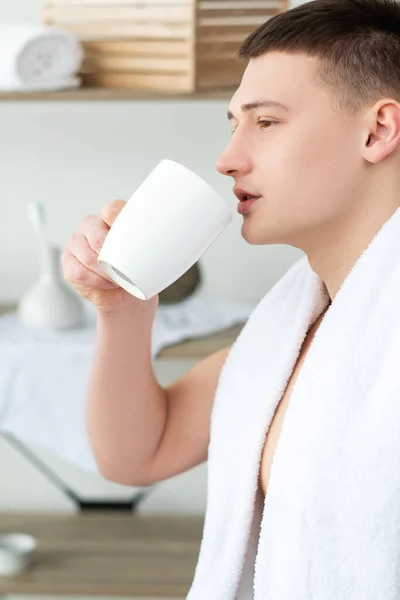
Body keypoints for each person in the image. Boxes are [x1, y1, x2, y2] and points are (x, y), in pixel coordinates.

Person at [61, 0, 400, 503]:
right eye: (233, 124)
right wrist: (124, 309)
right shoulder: (294, 327)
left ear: (378, 131)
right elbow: (138, 455)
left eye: (265, 122)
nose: (226, 160)